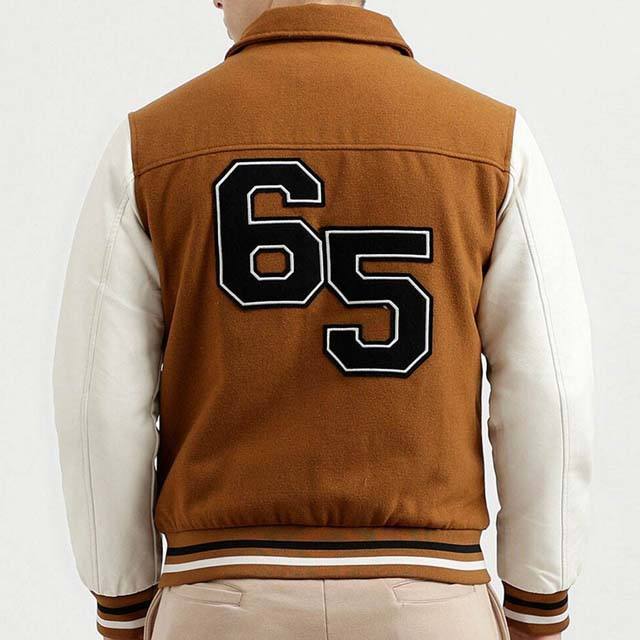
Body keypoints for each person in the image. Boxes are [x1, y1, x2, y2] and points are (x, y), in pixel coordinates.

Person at [52, 1, 594, 639]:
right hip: (431, 600)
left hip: (220, 598)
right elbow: (550, 390)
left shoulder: (150, 145)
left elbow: (98, 402)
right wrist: (537, 601)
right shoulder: (491, 141)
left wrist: (123, 602)